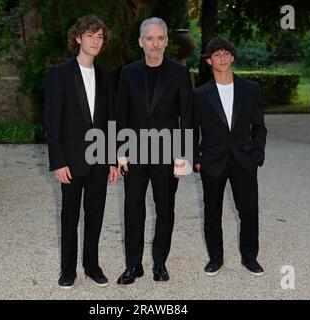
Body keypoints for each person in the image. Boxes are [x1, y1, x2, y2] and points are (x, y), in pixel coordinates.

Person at [115, 17, 193, 285]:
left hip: (167, 156)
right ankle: (133, 266)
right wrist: (120, 152)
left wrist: (184, 156)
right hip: (134, 155)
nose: (155, 44)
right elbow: (121, 114)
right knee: (133, 211)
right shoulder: (128, 72)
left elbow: (187, 117)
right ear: (141, 42)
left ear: (167, 41)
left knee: (165, 211)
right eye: (150, 38)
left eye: (160, 38)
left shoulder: (180, 73)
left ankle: (160, 263)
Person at [44, 15, 117, 289]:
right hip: (71, 160)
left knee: (95, 215)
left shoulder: (106, 76)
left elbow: (111, 121)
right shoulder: (60, 74)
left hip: (99, 159)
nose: (96, 41)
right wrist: (58, 161)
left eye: (100, 37)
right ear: (78, 38)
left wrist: (112, 160)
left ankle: (92, 265)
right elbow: (52, 121)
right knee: (70, 217)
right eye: (90, 35)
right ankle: (68, 270)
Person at [193, 37, 267, 276]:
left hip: (244, 160)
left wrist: (258, 153)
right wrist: (195, 158)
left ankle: (249, 257)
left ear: (232, 56)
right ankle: (216, 258)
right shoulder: (200, 94)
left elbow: (259, 126)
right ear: (208, 60)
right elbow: (192, 130)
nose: (222, 58)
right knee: (212, 212)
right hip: (212, 161)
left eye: (226, 53)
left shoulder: (250, 89)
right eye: (216, 54)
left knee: (249, 210)